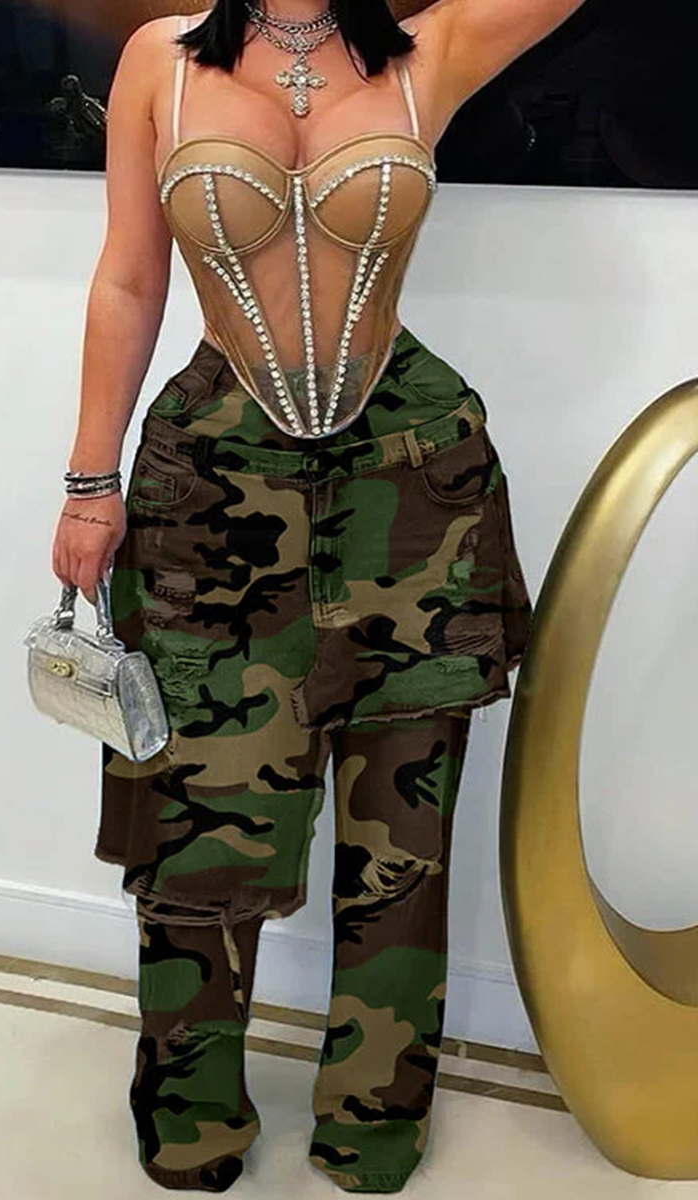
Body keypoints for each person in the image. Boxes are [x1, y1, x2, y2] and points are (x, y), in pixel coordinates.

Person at [52, 1, 585, 1192]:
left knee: (403, 831)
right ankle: (191, 1118)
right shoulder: (159, 60)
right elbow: (129, 278)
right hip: (214, 480)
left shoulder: (431, 48)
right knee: (198, 819)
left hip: (413, 479)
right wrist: (90, 482)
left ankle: (374, 1124)